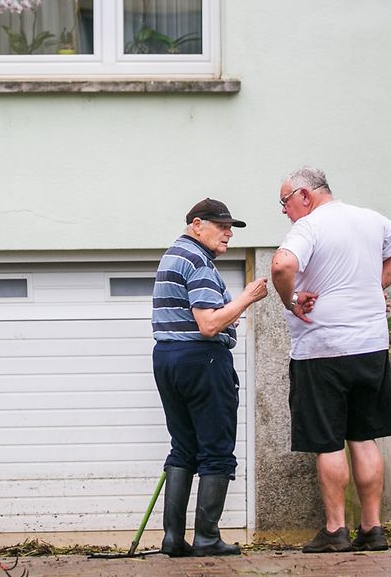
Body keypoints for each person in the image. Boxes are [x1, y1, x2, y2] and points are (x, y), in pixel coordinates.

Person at [270, 167, 391, 553]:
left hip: (322, 351)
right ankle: (373, 528)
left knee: (329, 442)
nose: (284, 211)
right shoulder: (369, 219)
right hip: (370, 348)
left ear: (304, 195)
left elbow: (282, 266)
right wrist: (376, 284)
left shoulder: (310, 227)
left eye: (285, 202)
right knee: (364, 438)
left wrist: (290, 300)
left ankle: (336, 531)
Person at [151, 198, 269, 557]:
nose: (229, 233)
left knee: (183, 447)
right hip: (202, 360)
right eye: (222, 226)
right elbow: (208, 324)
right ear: (197, 224)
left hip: (168, 357)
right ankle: (206, 537)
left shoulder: (173, 255)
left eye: (231, 227)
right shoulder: (199, 261)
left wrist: (223, 314)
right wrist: (247, 298)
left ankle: (173, 538)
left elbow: (197, 315)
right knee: (216, 449)